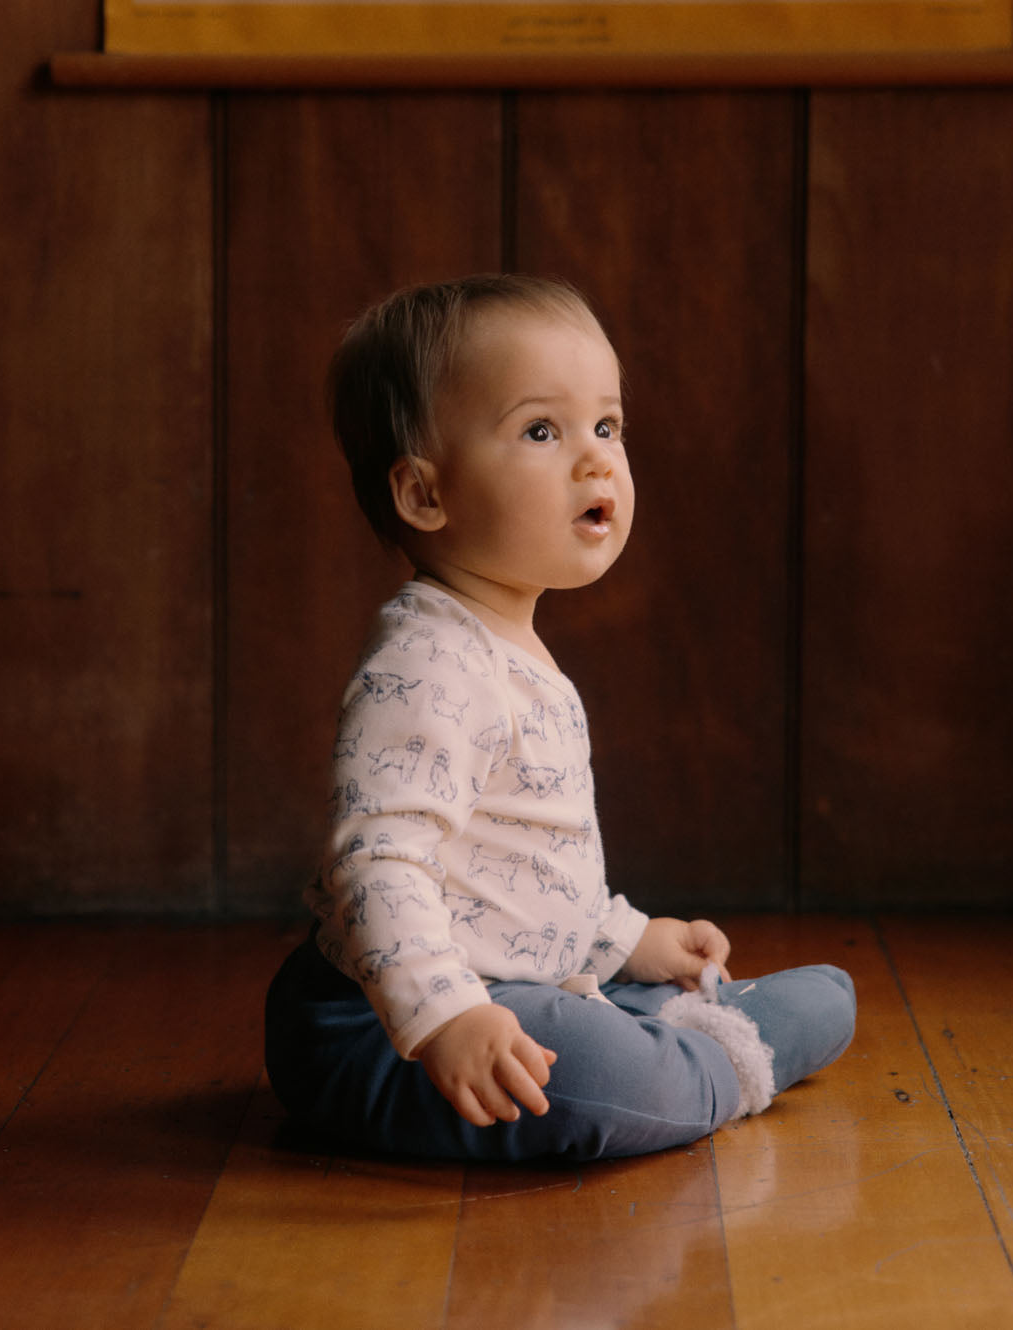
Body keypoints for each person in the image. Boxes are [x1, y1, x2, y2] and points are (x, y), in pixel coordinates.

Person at [265, 274, 855, 1161]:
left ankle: (672, 1031)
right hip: (381, 1029)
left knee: (825, 999)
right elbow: (377, 862)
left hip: (517, 987)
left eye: (607, 427)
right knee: (600, 1073)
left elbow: (526, 872)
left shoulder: (510, 648)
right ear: (425, 494)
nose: (596, 460)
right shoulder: (429, 662)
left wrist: (631, 940)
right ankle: (703, 1064)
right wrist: (446, 1017)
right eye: (542, 431)